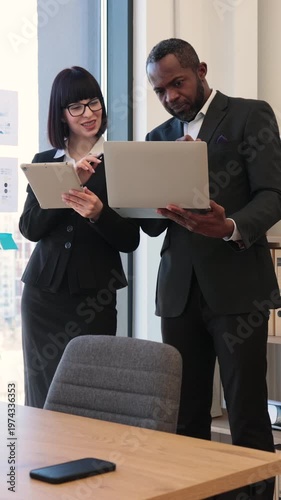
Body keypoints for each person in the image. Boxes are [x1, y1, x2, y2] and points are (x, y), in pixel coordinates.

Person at [140, 38, 281, 500]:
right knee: (185, 412)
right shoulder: (157, 139)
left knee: (245, 414)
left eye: (177, 84)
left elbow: (272, 194)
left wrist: (232, 226)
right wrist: (137, 201)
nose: (170, 97)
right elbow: (154, 227)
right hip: (179, 294)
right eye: (160, 91)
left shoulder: (248, 115)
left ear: (200, 69)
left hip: (239, 287)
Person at [19, 66, 140, 409]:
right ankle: (43, 461)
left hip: (95, 298)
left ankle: (86, 462)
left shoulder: (120, 161)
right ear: (61, 114)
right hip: (43, 298)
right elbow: (30, 227)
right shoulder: (46, 162)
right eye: (76, 107)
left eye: (93, 103)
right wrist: (68, 182)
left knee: (91, 395)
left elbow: (130, 239)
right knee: (42, 396)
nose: (88, 114)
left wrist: (99, 213)